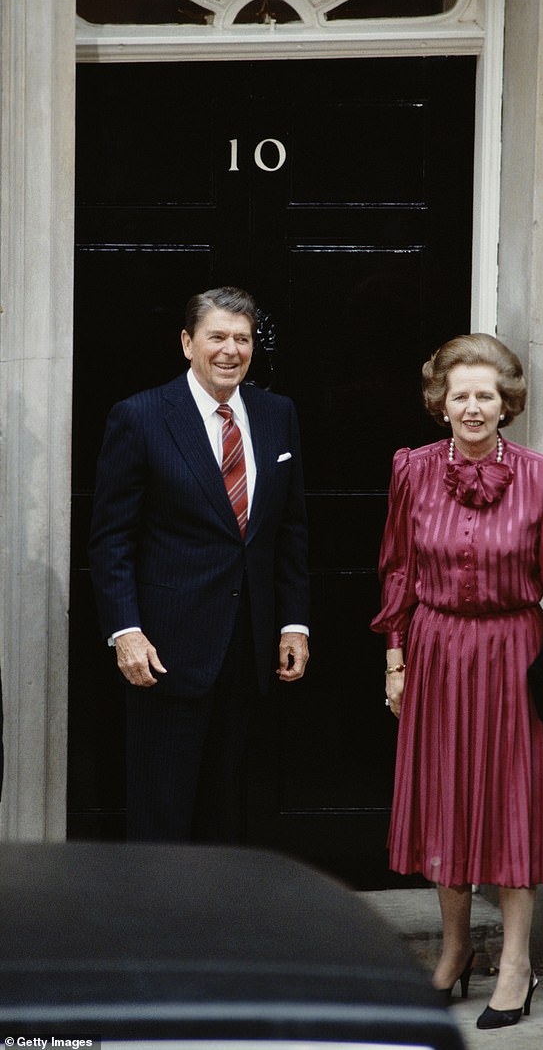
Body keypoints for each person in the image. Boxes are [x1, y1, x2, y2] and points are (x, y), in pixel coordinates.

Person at [371, 334, 543, 1030]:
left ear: (508, 403)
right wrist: (396, 656)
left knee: (509, 805)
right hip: (437, 650)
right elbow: (399, 572)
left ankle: (518, 963)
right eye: (460, 394)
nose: (473, 407)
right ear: (441, 403)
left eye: (487, 395)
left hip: (512, 650)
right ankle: (455, 949)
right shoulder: (411, 470)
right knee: (446, 798)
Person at [89, 286, 310, 844]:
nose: (231, 350)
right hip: (164, 648)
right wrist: (125, 631)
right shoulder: (140, 417)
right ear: (188, 343)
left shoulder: (276, 414)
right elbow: (111, 538)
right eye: (217, 337)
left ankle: (216, 924)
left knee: (229, 805)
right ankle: (157, 926)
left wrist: (293, 623)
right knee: (161, 806)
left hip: (250, 648)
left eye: (242, 338)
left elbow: (289, 529)